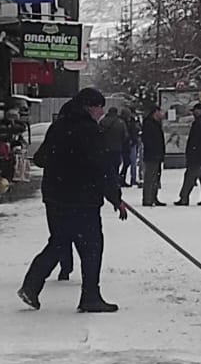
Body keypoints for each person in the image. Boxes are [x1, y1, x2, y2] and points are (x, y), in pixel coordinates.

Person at [19, 88, 129, 313]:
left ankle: (31, 286)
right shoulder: (89, 130)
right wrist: (115, 198)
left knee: (59, 241)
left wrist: (61, 164)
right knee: (91, 248)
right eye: (100, 107)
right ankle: (90, 296)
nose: (101, 113)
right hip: (82, 199)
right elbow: (102, 168)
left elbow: (40, 158)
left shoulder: (58, 126)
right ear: (90, 106)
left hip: (55, 197)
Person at [140, 106, 168, 207]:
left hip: (156, 154)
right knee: (150, 177)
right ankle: (148, 198)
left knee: (156, 178)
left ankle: (153, 197)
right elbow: (149, 140)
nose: (162, 114)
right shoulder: (149, 124)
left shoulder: (155, 124)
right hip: (152, 155)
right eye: (161, 112)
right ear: (155, 112)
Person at [100, 107, 129, 186]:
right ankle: (114, 182)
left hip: (105, 148)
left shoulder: (103, 121)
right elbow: (125, 136)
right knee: (115, 166)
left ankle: (106, 181)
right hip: (117, 148)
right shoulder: (120, 122)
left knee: (106, 166)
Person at [121, 109, 142, 187]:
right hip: (129, 143)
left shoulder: (128, 122)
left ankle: (126, 179)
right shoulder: (125, 122)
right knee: (130, 162)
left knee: (130, 162)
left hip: (130, 143)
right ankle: (129, 179)